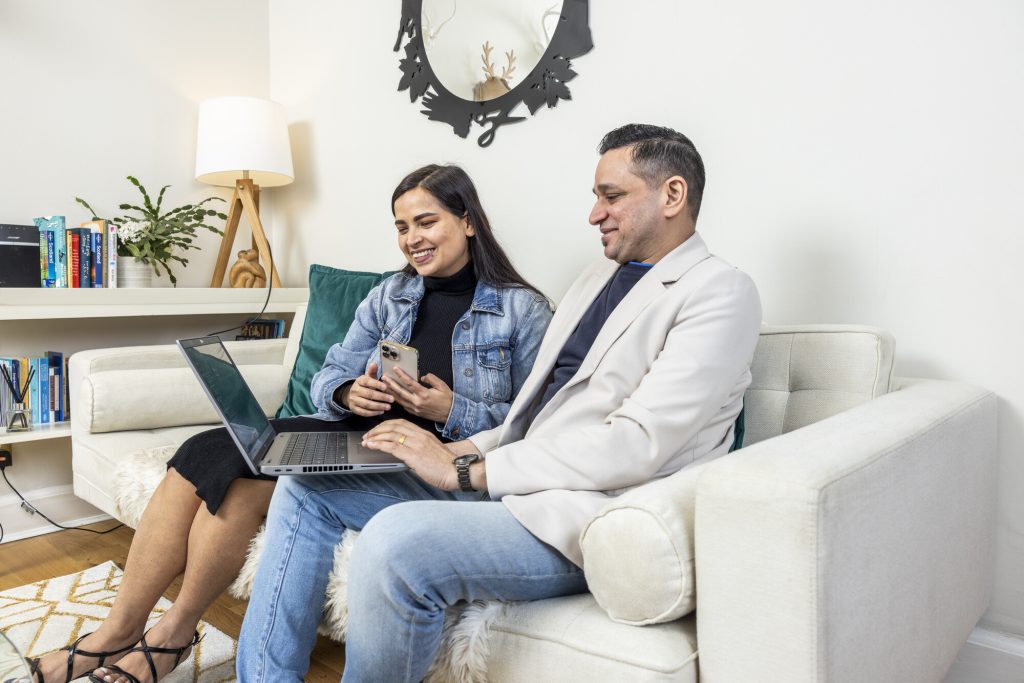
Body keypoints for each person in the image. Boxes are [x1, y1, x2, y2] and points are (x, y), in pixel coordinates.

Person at [235, 123, 764, 683]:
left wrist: (470, 471)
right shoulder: (596, 278)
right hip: (513, 481)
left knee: (393, 545)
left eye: (611, 197)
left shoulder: (719, 293)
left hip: (578, 514)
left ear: (672, 196)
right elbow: (529, 413)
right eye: (596, 197)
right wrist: (460, 448)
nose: (594, 213)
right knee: (308, 484)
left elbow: (637, 444)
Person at [30, 164, 552, 683]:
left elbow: (535, 427)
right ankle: (120, 633)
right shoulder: (392, 294)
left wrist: (449, 411)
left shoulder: (522, 311)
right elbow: (332, 374)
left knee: (241, 483)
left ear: (468, 222)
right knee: (204, 453)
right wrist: (351, 391)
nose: (412, 239)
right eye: (401, 227)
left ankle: (168, 638)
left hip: (432, 460)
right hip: (359, 435)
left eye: (426, 222)